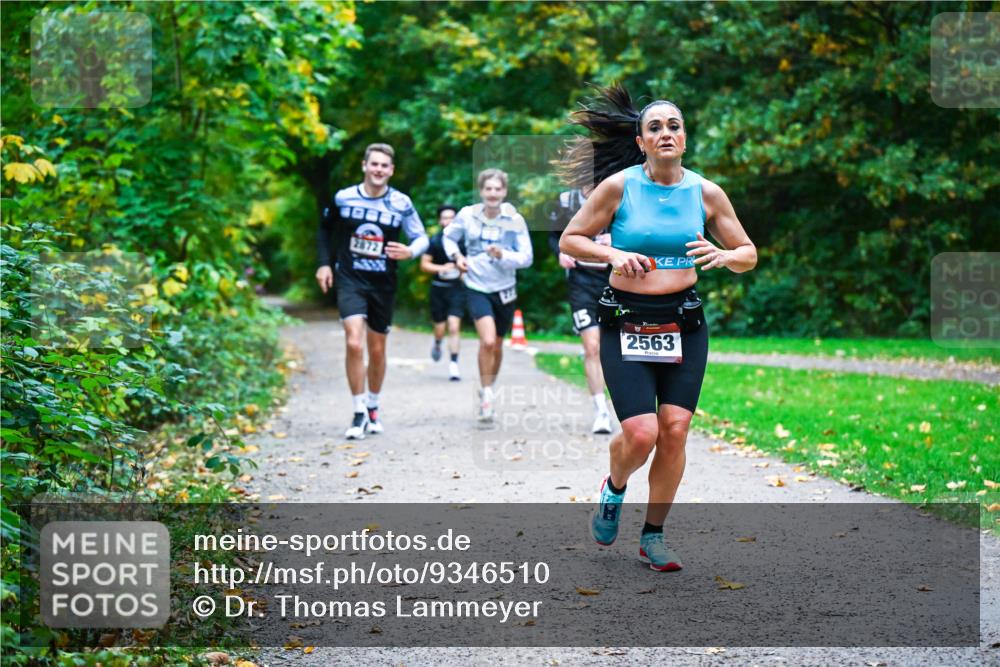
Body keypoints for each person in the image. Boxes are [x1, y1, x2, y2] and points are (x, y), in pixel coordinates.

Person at [560, 85, 757, 571]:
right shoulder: (619, 187)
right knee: (642, 433)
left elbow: (748, 253)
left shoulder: (706, 192)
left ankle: (653, 536)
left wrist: (725, 254)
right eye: (655, 127)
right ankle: (615, 487)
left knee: (675, 429)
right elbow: (573, 238)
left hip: (683, 320)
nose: (665, 133)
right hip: (626, 318)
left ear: (684, 138)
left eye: (674, 126)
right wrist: (614, 253)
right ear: (642, 140)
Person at [316, 143, 428, 439]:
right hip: (350, 279)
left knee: (377, 350)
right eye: (374, 164)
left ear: (391, 171)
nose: (378, 170)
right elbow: (325, 230)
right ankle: (357, 411)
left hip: (383, 283)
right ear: (365, 166)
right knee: (354, 343)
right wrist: (324, 265)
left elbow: (421, 237)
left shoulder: (401, 203)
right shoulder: (344, 198)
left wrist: (410, 251)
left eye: (384, 166)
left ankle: (374, 405)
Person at [443, 169, 533, 422]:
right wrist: (457, 257)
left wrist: (502, 255)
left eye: (497, 189)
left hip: (504, 289)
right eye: (488, 189)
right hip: (476, 285)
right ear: (481, 191)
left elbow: (527, 258)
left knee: (499, 344)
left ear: (504, 192)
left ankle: (488, 388)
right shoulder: (466, 216)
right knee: (488, 341)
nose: (492, 193)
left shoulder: (514, 219)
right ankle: (487, 395)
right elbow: (448, 238)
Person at [547, 185, 613, 435]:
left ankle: (621, 406)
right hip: (580, 283)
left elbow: (637, 233)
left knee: (613, 349)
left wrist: (616, 239)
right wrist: (560, 253)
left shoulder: (617, 194)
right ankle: (601, 411)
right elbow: (554, 236)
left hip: (613, 280)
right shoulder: (566, 200)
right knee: (592, 347)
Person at [421, 204, 465, 381]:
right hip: (438, 289)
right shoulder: (434, 241)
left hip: (457, 289)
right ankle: (438, 342)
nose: (448, 221)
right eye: (445, 218)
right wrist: (442, 268)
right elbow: (424, 265)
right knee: (440, 328)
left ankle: (454, 366)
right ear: (440, 220)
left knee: (454, 326)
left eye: (452, 218)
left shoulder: (463, 241)